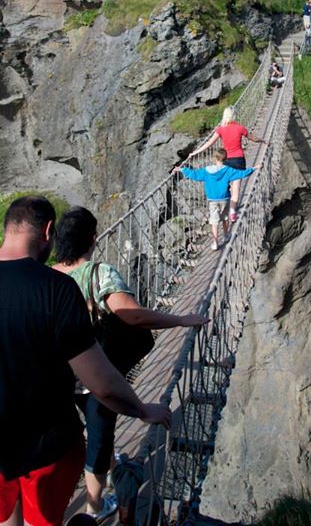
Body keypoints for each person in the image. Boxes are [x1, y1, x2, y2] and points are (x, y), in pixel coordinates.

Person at [0, 196, 172, 526]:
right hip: (46, 447)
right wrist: (141, 410)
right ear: (48, 231)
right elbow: (100, 382)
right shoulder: (56, 289)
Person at [53, 207, 209, 521]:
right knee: (99, 438)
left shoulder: (49, 276)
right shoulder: (99, 273)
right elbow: (132, 315)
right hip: (95, 374)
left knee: (91, 433)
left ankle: (110, 469)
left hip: (57, 375)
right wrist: (180, 319)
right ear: (92, 238)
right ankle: (95, 508)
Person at [186, 106, 267, 222]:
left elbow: (209, 143)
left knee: (226, 185)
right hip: (239, 160)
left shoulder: (221, 129)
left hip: (226, 161)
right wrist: (263, 141)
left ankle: (223, 209)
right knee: (236, 187)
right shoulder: (240, 128)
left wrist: (195, 152)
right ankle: (232, 212)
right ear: (234, 115)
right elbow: (253, 138)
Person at [174, 148, 260, 250]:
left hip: (212, 200)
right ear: (226, 159)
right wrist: (253, 168)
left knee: (214, 221)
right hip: (225, 198)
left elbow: (194, 174)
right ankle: (226, 235)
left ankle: (215, 242)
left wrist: (182, 169)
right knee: (225, 218)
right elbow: (241, 173)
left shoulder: (206, 171)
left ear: (215, 158)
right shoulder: (228, 170)